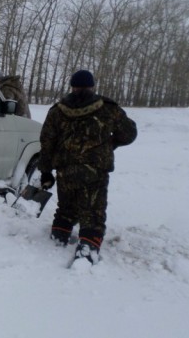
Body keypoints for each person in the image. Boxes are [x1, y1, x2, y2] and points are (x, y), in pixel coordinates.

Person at [37, 70, 137, 265]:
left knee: (65, 208)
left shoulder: (57, 111)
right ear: (92, 86)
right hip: (95, 171)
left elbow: (47, 142)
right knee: (92, 212)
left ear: (72, 87)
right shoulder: (108, 109)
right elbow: (129, 133)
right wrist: (109, 143)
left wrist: (46, 172)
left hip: (66, 171)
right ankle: (87, 251)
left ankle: (58, 237)